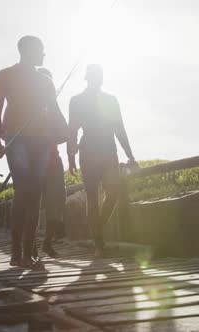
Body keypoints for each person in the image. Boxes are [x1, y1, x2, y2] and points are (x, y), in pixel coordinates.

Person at [0, 36, 61, 268]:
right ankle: (16, 252)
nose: (43, 55)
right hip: (16, 139)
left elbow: (54, 112)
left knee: (36, 194)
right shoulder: (5, 75)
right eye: (41, 50)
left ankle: (28, 251)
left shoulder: (45, 81)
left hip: (40, 140)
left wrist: (67, 133)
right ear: (29, 51)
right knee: (23, 190)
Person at [67, 64, 137, 257]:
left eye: (100, 75)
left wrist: (130, 154)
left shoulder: (110, 100)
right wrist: (70, 157)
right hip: (88, 150)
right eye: (95, 75)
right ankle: (99, 244)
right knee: (92, 196)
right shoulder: (77, 101)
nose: (99, 78)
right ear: (88, 78)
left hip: (108, 149)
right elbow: (72, 130)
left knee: (113, 192)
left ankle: (97, 230)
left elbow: (119, 128)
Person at [36, 67, 66, 258]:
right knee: (31, 203)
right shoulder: (25, 106)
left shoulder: (53, 106)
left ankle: (47, 243)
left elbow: (64, 133)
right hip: (32, 163)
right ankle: (29, 246)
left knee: (57, 201)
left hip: (53, 162)